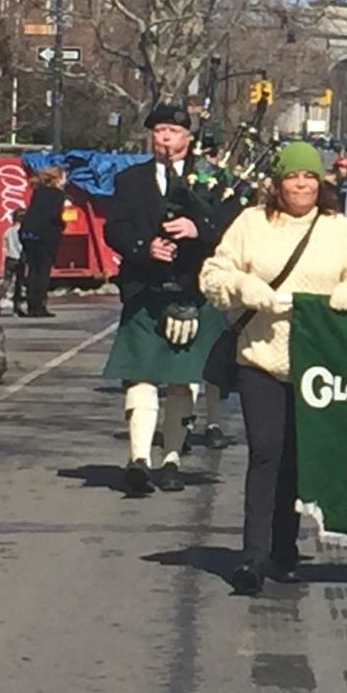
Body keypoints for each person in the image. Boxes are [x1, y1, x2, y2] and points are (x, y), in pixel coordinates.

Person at [204, 142, 347, 595]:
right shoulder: (251, 224)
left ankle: (285, 549)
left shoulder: (336, 228)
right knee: (265, 451)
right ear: (278, 182)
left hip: (316, 363)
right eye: (292, 177)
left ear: (319, 182)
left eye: (308, 177)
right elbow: (213, 274)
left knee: (296, 458)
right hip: (261, 355)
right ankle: (252, 556)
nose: (301, 185)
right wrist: (244, 286)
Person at [101, 103, 219, 494]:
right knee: (141, 373)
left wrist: (198, 227)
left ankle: (171, 458)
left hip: (191, 289)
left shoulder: (212, 179)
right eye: (158, 131)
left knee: (181, 381)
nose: (163, 138)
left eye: (172, 131)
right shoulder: (130, 180)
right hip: (144, 289)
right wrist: (143, 247)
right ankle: (138, 458)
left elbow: (233, 225)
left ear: (188, 137)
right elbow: (114, 228)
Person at [19, 165, 67, 318]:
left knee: (33, 269)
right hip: (45, 235)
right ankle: (39, 305)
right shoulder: (58, 195)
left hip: (28, 232)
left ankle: (31, 304)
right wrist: (62, 226)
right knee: (43, 271)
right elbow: (54, 216)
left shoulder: (38, 192)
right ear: (58, 179)